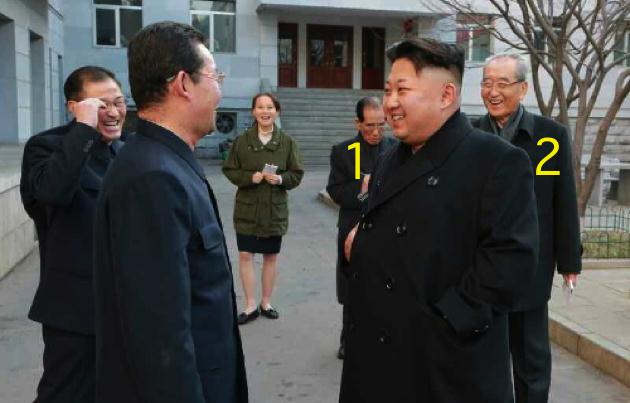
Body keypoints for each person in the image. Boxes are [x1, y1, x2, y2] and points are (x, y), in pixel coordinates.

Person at [339, 38, 539, 403]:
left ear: (446, 95)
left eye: (402, 90)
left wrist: (443, 324)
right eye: (387, 91)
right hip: (376, 358)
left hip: (445, 367)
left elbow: (510, 264)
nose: (390, 103)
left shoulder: (496, 161)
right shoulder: (389, 158)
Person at [93, 22, 247, 403]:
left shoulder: (166, 161)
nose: (219, 89)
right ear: (183, 83)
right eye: (214, 76)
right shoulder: (153, 177)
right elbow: (160, 337)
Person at [473, 53, 582, 403]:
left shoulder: (549, 138)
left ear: (522, 89)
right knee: (479, 356)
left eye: (502, 84)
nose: (492, 91)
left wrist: (569, 262)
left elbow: (562, 202)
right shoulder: (470, 135)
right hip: (478, 266)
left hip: (530, 265)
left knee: (530, 357)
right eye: (487, 83)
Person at [20, 65, 126, 403]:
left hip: (122, 307)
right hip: (74, 312)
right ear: (74, 107)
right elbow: (52, 193)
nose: (112, 112)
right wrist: (83, 129)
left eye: (119, 103)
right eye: (100, 104)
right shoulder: (46, 147)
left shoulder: (123, 153)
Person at [223, 92, 304, 325]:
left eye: (270, 107)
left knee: (270, 256)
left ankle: (266, 302)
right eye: (260, 107)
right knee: (245, 255)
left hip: (273, 211)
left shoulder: (287, 143)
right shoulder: (241, 142)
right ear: (253, 112)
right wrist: (251, 177)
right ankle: (250, 304)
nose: (265, 111)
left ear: (277, 111)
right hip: (247, 210)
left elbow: (296, 174)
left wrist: (280, 180)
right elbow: (229, 170)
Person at [326, 96, 396, 359]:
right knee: (352, 289)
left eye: (381, 125)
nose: (376, 132)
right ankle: (349, 338)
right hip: (352, 229)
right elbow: (335, 190)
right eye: (369, 126)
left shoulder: (396, 149)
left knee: (386, 289)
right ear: (357, 123)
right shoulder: (343, 151)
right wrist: (364, 191)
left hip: (388, 230)